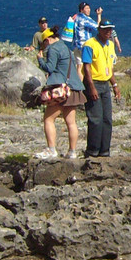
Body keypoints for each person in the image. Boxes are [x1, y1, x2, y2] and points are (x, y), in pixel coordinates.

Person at [36, 25, 87, 159]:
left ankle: (51, 149)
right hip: (74, 87)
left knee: (48, 119)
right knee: (71, 122)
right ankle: (72, 151)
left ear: (47, 40)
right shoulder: (66, 48)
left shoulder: (53, 49)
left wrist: (40, 59)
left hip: (60, 89)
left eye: (44, 43)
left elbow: (50, 68)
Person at [82, 21, 121, 157]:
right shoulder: (90, 44)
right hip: (93, 83)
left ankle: (104, 150)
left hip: (105, 84)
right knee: (95, 118)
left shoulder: (110, 45)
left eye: (110, 30)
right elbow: (86, 67)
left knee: (107, 119)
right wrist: (91, 87)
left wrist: (114, 85)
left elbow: (110, 67)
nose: (108, 32)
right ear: (99, 30)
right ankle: (93, 150)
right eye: (105, 30)